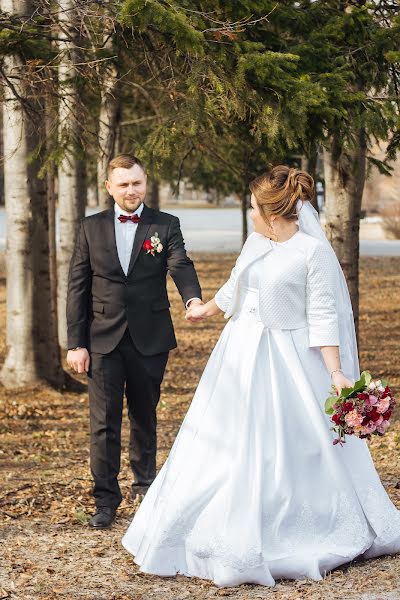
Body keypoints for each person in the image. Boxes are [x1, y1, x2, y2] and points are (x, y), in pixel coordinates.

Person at [122, 165, 400, 587]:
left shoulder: (312, 253)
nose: (249, 213)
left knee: (286, 444)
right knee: (221, 440)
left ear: (272, 213)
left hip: (287, 358)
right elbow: (235, 287)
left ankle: (295, 524)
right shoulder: (255, 241)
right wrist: (204, 308)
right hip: (237, 355)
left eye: (252, 207)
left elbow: (324, 316)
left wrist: (337, 372)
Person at [66, 154, 202, 529]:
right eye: (123, 184)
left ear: (145, 183)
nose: (131, 190)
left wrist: (192, 298)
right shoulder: (90, 227)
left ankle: (145, 490)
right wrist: (75, 343)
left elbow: (180, 263)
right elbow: (77, 286)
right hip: (102, 341)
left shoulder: (165, 224)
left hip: (150, 338)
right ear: (109, 187)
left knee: (145, 417)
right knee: (103, 423)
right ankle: (105, 501)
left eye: (136, 183)